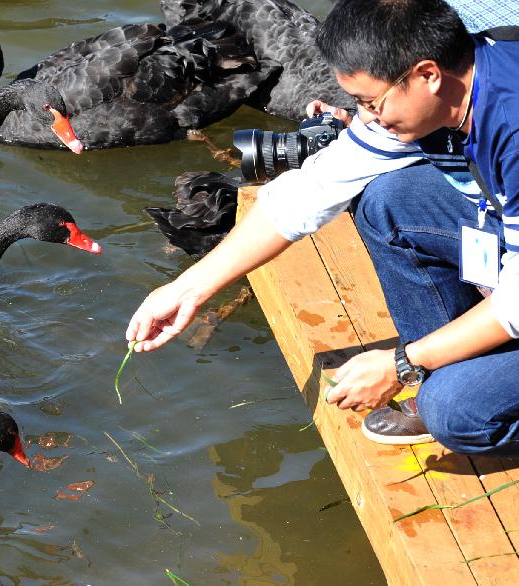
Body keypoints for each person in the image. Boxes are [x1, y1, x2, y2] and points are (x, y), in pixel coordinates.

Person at [126, 0, 519, 455]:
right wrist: (188, 288)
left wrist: (400, 364)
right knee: (388, 201)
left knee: (457, 414)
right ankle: (456, 364)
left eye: (370, 102)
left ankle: (448, 382)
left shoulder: (510, 127)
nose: (365, 118)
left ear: (428, 74)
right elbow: (309, 194)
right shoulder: (439, 92)